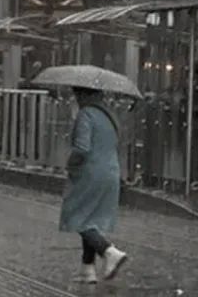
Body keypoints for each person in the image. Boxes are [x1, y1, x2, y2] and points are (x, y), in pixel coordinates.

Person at [60, 86, 128, 284]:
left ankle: (109, 251)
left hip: (90, 172)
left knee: (76, 215)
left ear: (84, 95)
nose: (76, 99)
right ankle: (87, 270)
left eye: (77, 95)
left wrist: (70, 164)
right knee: (91, 219)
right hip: (110, 172)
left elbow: (82, 148)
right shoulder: (109, 115)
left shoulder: (86, 114)